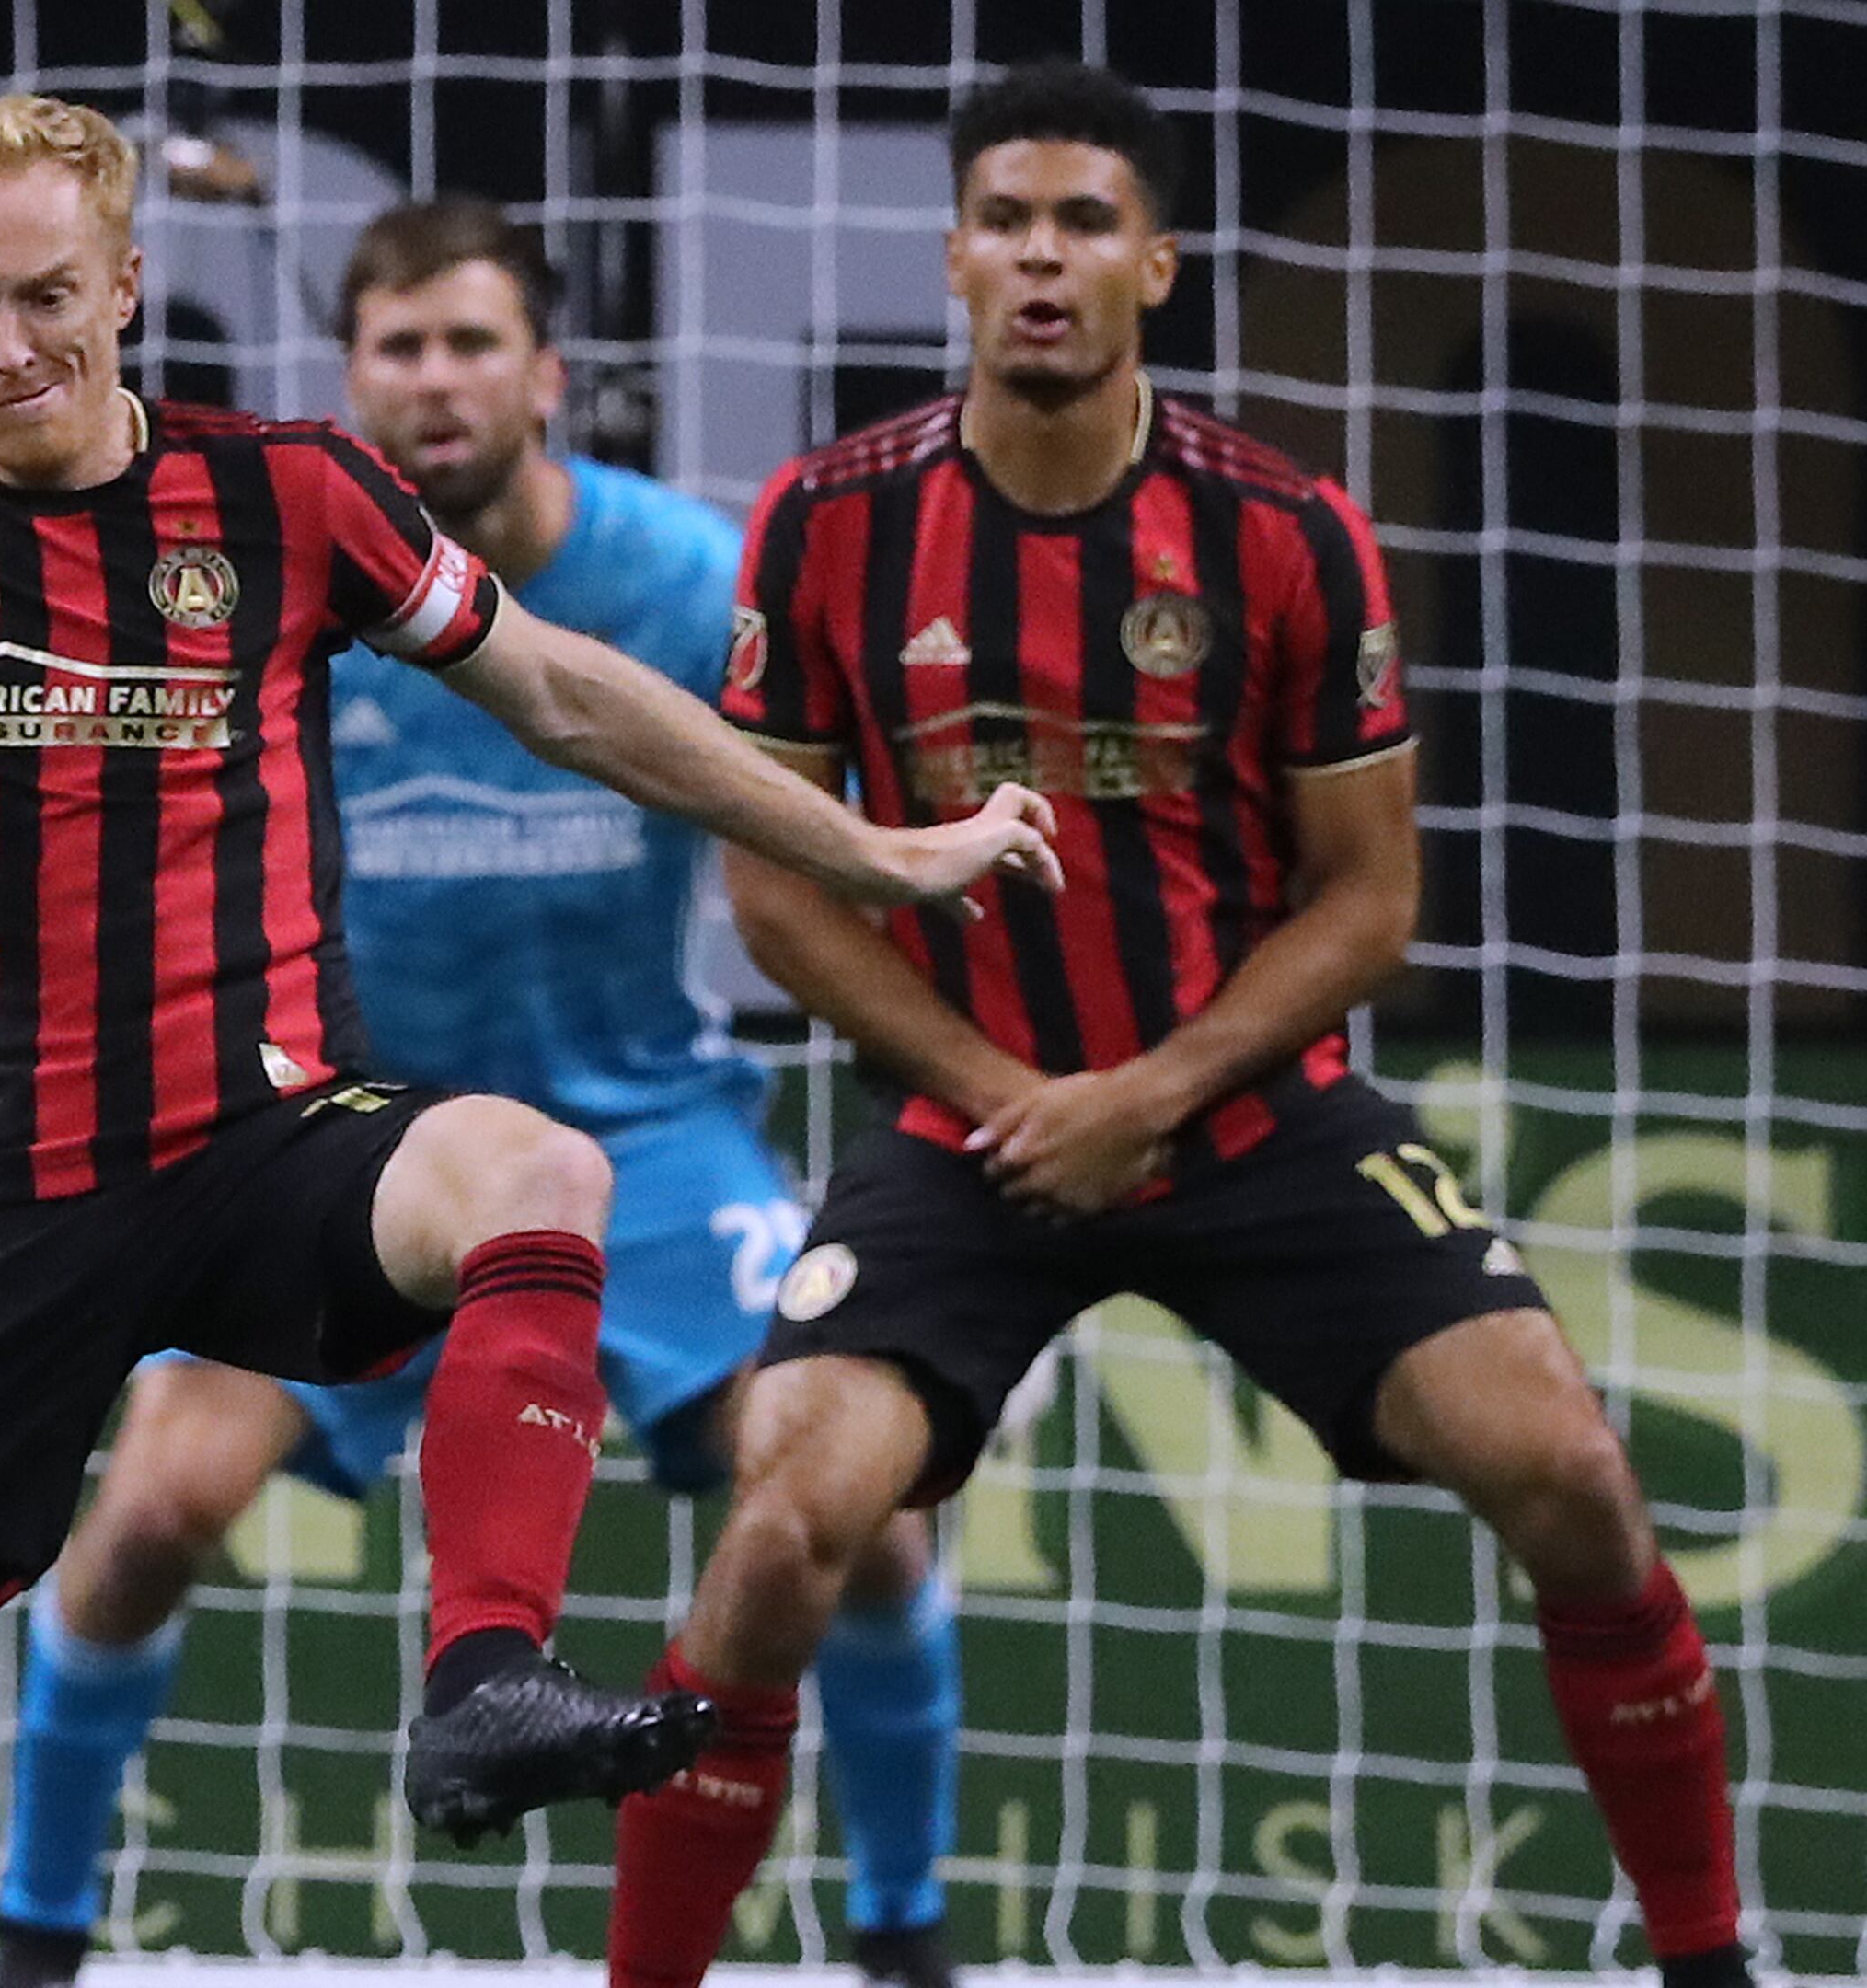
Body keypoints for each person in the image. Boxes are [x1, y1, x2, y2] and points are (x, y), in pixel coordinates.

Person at [0, 95, 1059, 1988]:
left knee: (536, 1171)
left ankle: (487, 1679)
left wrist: (874, 850)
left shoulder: (290, 493)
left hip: (272, 1143)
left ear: (126, 282)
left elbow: (571, 698)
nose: (10, 350)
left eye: (48, 301)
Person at [611, 60, 1746, 1988]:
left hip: (1253, 1119)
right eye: (1005, 223)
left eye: (1081, 226)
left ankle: (1712, 1958)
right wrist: (1004, 1095)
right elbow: (778, 889)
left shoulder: (1286, 530)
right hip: (966, 1142)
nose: (1039, 262)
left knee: (1573, 1475)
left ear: (1157, 262)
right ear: (956, 258)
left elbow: (1374, 899)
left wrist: (1144, 1089)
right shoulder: (824, 523)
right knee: (784, 1523)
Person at [0, 199, 964, 1988]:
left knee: (872, 1526)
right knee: (137, 1523)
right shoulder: (296, 591)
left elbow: (803, 832)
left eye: (468, 343)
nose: (434, 382)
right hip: (357, 1146)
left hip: (643, 1139)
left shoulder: (685, 578)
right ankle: (31, 1947)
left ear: (548, 373)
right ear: (353, 380)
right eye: (398, 351)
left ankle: (904, 1933)